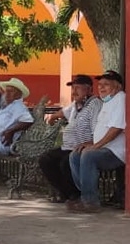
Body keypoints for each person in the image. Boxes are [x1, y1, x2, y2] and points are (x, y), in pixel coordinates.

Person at [68, 71, 126, 213]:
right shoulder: (107, 101)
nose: (101, 88)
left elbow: (117, 128)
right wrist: (90, 143)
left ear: (117, 87)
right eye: (100, 85)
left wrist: (95, 146)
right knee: (75, 154)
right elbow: (101, 130)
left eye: (106, 85)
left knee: (89, 156)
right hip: (104, 148)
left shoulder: (120, 98)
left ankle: (90, 202)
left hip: (116, 151)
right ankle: (86, 195)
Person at [40, 74, 101, 203]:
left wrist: (90, 142)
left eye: (78, 88)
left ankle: (76, 195)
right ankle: (66, 193)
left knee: (65, 163)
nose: (74, 92)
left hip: (83, 147)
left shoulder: (95, 104)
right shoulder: (75, 105)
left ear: (89, 90)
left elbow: (98, 128)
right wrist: (53, 116)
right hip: (68, 146)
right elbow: (63, 112)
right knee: (45, 159)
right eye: (73, 88)